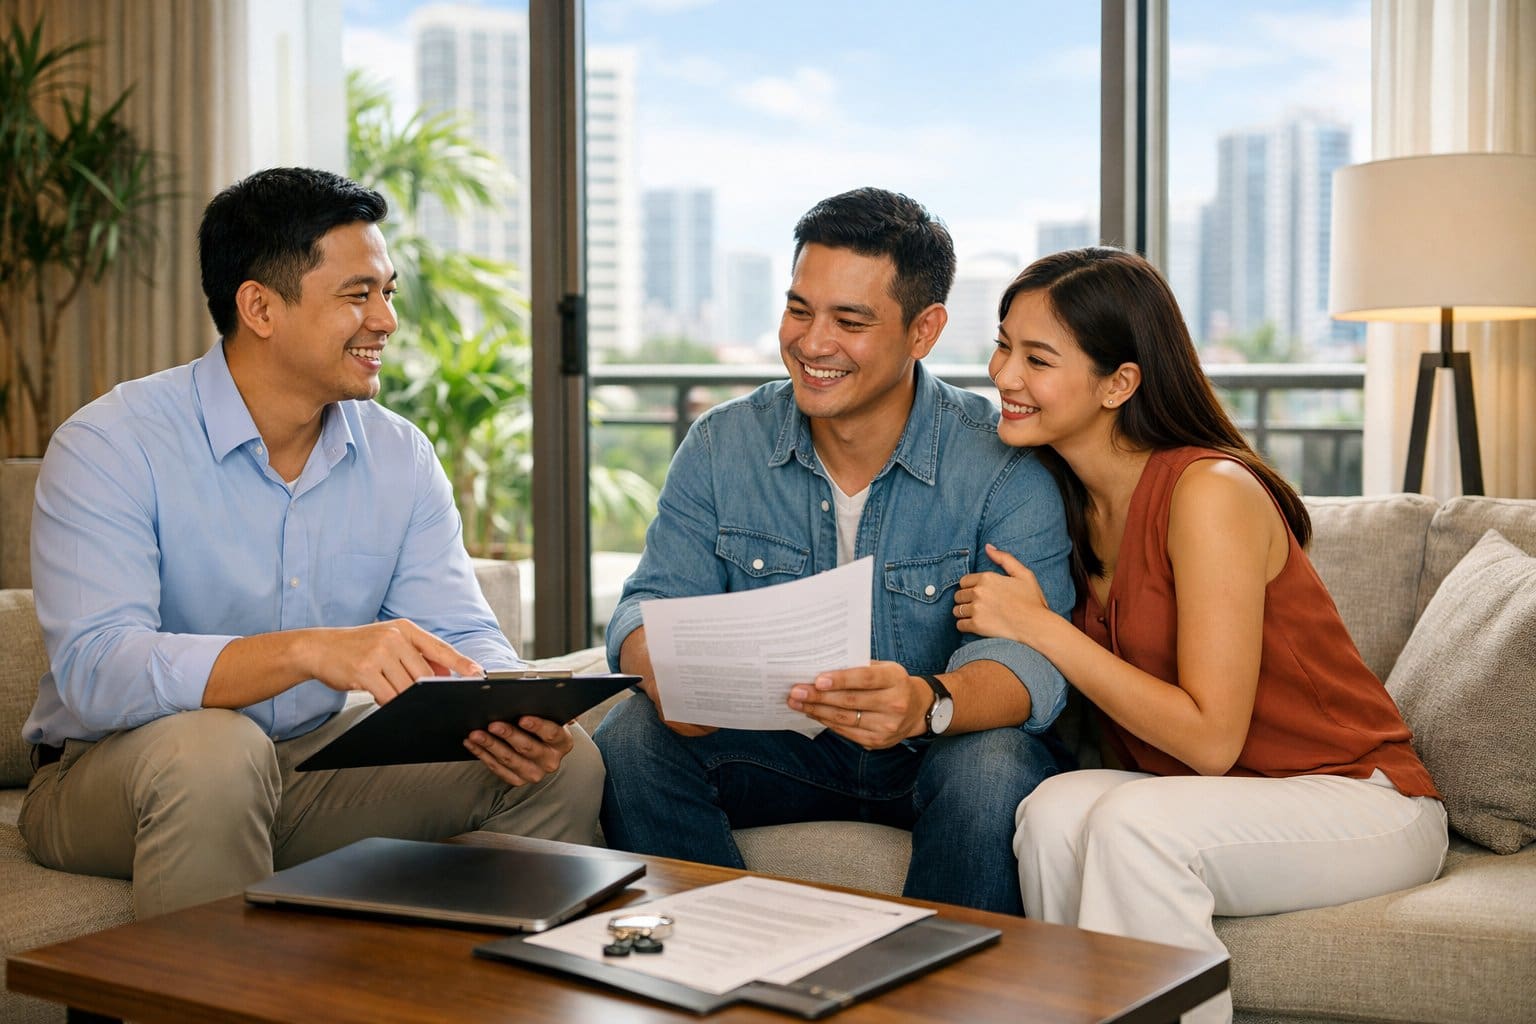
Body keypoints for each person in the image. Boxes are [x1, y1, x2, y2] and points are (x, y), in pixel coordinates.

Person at [20, 167, 604, 919]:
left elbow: (460, 636)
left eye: (388, 292)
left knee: (562, 765)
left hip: (305, 766)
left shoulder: (399, 455)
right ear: (259, 307)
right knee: (216, 753)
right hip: (111, 777)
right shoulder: (111, 444)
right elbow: (98, 671)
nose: (387, 320)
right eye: (358, 295)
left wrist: (513, 710)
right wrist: (306, 650)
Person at [954, 247, 1447, 1021]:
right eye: (1004, 344)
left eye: (1037, 358)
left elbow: (1211, 740)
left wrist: (1044, 629)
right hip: (1219, 799)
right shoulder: (1064, 505)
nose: (1003, 374)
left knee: (1132, 826)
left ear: (1120, 383)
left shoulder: (1208, 491)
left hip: (1361, 800)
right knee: (1050, 812)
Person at [594, 187, 1074, 914]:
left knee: (993, 766)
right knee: (629, 734)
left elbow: (1034, 663)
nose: (813, 344)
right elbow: (649, 601)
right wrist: (662, 671)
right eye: (798, 310)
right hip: (778, 747)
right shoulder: (725, 444)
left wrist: (924, 703)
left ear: (924, 330)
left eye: (850, 321)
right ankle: (714, 963)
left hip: (936, 749)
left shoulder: (1002, 464)